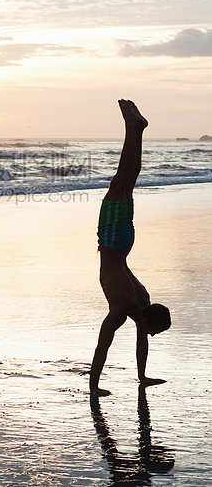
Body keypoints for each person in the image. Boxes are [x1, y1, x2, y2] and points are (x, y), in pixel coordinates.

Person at [90, 99, 171, 396]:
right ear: (147, 318)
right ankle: (132, 128)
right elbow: (103, 344)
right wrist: (93, 387)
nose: (148, 334)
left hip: (124, 243)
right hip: (112, 241)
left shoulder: (143, 299)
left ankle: (137, 130)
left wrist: (143, 376)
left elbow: (141, 339)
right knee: (120, 180)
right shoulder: (127, 305)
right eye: (152, 329)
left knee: (129, 181)